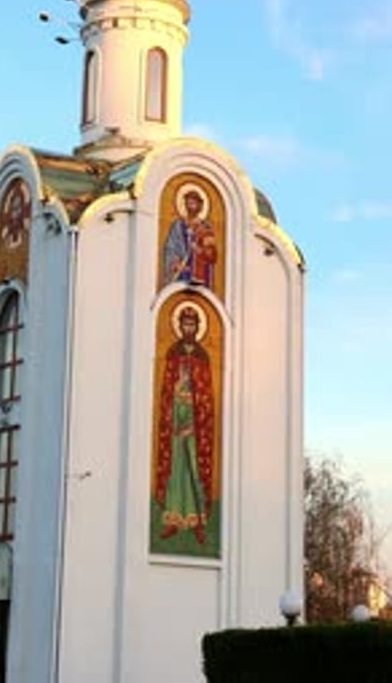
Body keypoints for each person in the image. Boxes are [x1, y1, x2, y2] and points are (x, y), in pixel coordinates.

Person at [154, 304, 214, 545]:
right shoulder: (173, 352)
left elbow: (206, 396)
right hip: (175, 421)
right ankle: (173, 520)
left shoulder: (202, 356)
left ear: (197, 327)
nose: (188, 328)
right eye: (185, 324)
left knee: (194, 470)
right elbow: (167, 390)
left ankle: (197, 521)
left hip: (195, 422)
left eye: (192, 324)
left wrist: (194, 425)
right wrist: (173, 419)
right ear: (180, 326)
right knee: (176, 469)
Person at [162, 188, 217, 288]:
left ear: (199, 206)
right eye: (188, 204)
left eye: (193, 204)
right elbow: (170, 247)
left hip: (199, 273)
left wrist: (198, 249)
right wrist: (176, 263)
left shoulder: (205, 228)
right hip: (182, 271)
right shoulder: (178, 225)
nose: (190, 207)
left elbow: (211, 255)